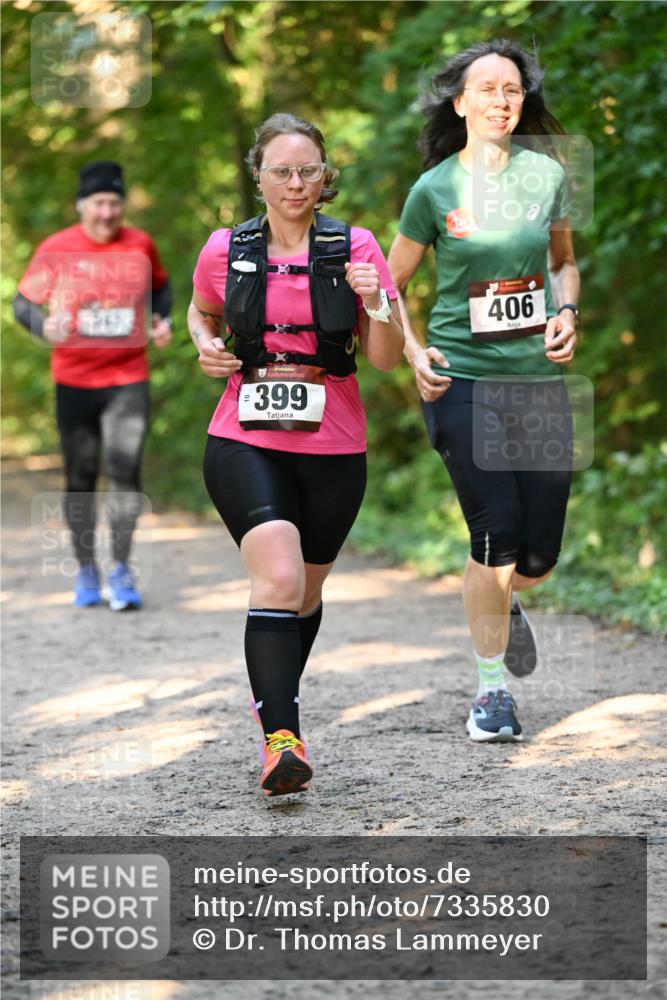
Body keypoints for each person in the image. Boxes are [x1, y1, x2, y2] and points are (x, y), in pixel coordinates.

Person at [189, 113, 404, 796]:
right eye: (280, 170)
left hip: (334, 440)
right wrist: (204, 343)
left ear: (324, 177)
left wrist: (378, 306)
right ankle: (281, 741)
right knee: (278, 578)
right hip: (243, 436)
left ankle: (273, 698)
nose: (294, 183)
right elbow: (202, 310)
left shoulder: (357, 246)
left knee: (304, 594)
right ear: (257, 175)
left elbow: (383, 359)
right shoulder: (225, 247)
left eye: (307, 170)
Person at [388, 39, 579, 742]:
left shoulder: (544, 178)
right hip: (462, 379)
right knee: (493, 535)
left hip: (536, 382)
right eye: (487, 89)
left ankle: (504, 604)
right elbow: (389, 284)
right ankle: (490, 694)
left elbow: (563, 265)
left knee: (534, 561)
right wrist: (412, 351)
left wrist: (565, 313)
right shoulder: (433, 190)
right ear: (460, 102)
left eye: (512, 90)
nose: (501, 100)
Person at [13, 161, 173, 610]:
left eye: (115, 204)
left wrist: (164, 319)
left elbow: (162, 289)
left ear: (123, 205)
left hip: (128, 378)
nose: (107, 213)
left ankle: (120, 569)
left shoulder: (140, 244)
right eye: (99, 204)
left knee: (125, 472)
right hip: (75, 380)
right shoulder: (58, 248)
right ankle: (86, 569)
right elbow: (23, 303)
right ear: (82, 205)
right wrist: (45, 327)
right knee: (81, 478)